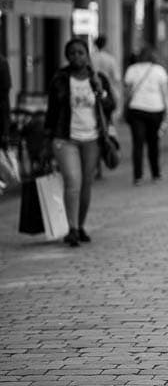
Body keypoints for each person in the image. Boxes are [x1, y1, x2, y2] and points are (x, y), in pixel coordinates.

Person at [43, 39, 115, 246]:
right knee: (73, 182)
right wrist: (47, 140)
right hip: (65, 138)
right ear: (67, 56)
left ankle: (81, 225)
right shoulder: (60, 79)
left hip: (92, 138)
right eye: (72, 53)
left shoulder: (98, 78)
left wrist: (101, 91)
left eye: (81, 52)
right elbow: (52, 111)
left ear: (87, 55)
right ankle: (72, 228)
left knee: (86, 184)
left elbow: (111, 106)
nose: (76, 57)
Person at [123, 46, 168, 186]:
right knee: (153, 143)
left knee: (137, 144)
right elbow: (165, 93)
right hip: (155, 109)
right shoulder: (159, 70)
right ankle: (156, 174)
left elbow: (127, 92)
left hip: (137, 109)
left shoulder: (132, 69)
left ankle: (137, 176)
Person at [91, 35, 121, 111]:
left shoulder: (91, 57)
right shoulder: (110, 59)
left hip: (92, 88)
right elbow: (117, 77)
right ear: (105, 45)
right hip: (108, 89)